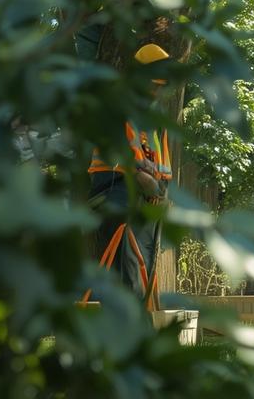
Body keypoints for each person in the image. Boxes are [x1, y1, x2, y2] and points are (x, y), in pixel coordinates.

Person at [85, 42, 174, 309]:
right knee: (122, 264)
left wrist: (161, 189)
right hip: (115, 189)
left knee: (141, 266)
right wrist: (138, 174)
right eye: (153, 83)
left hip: (147, 197)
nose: (157, 90)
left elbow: (162, 161)